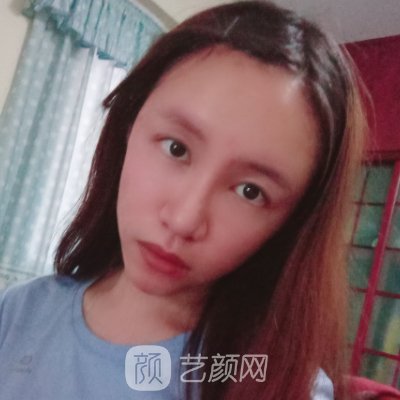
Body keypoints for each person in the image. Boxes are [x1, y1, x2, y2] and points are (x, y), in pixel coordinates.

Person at [0, 1, 366, 399]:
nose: (184, 220)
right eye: (176, 148)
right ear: (128, 126)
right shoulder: (18, 313)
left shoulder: (279, 385)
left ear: (291, 223)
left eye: (251, 191)